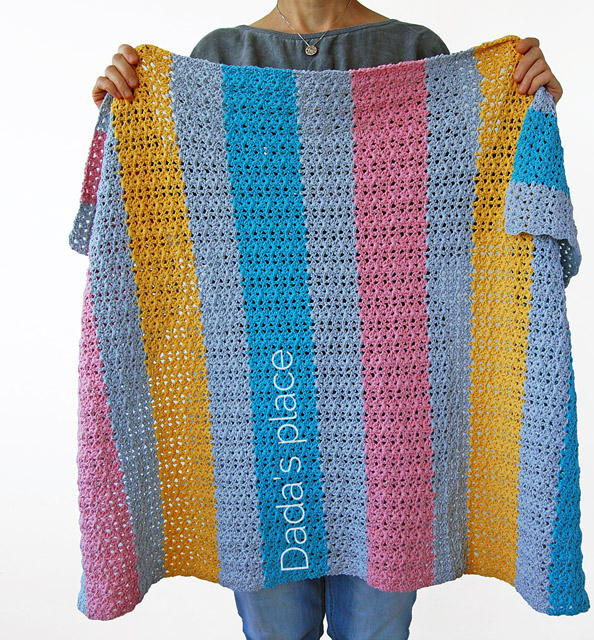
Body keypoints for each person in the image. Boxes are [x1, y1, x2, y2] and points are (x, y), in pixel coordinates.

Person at [89, 2, 564, 639]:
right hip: (261, 411)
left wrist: (525, 107)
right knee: (275, 632)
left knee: (375, 631)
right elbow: (173, 243)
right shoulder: (220, 57)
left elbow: (469, 238)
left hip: (391, 415)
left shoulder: (416, 50)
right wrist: (128, 116)